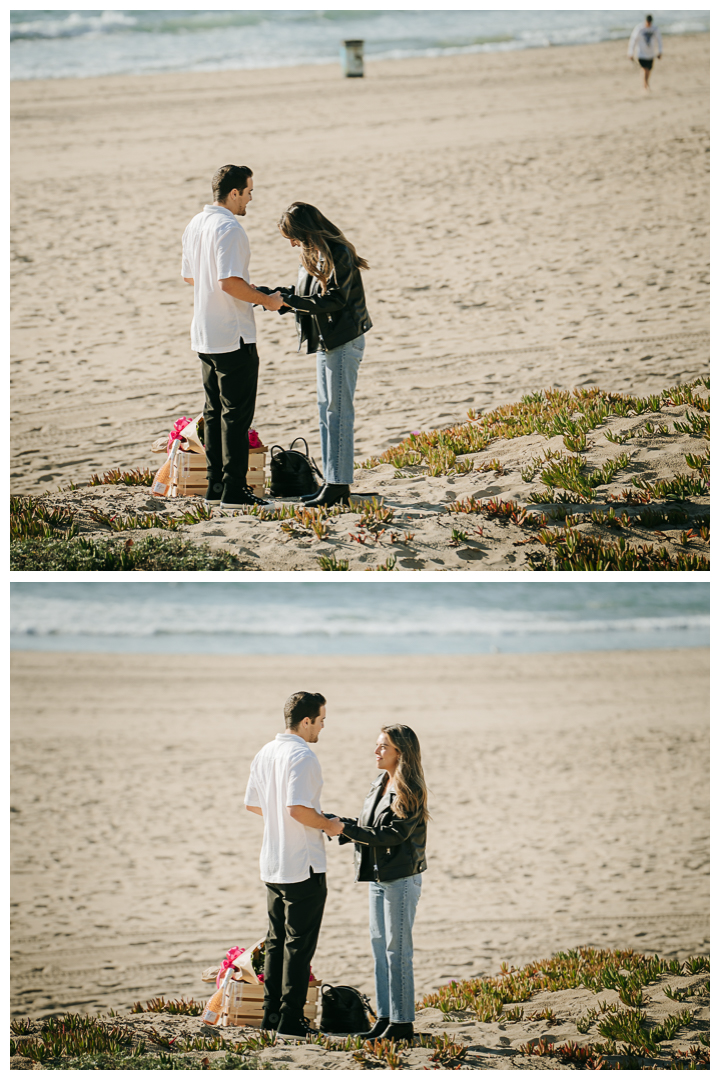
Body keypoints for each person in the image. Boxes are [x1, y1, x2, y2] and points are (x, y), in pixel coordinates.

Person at [182, 164, 284, 509]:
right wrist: (266, 300)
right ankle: (235, 490)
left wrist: (240, 289)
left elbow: (192, 278)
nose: (251, 199)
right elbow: (229, 283)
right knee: (236, 416)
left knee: (213, 412)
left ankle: (215, 486)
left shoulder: (196, 223)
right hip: (232, 335)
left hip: (204, 333)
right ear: (234, 192)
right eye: (249, 192)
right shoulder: (229, 228)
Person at [244, 691, 343, 1038]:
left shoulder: (265, 752)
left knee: (275, 942)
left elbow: (255, 805)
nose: (322, 727)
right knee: (299, 947)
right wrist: (329, 825)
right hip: (302, 864)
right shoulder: (303, 755)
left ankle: (271, 1015)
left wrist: (283, 822)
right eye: (321, 720)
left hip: (272, 862)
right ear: (306, 721)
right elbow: (297, 809)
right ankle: (291, 1020)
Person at [336, 725, 428, 1043]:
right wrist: (340, 824)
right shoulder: (379, 782)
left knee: (397, 952)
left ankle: (402, 1025)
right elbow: (368, 826)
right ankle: (386, 1018)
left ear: (400, 752)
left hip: (400, 879)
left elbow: (393, 835)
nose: (376, 752)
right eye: (377, 746)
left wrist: (345, 830)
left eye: (383, 747)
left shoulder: (409, 788)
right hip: (378, 876)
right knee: (379, 949)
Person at [276, 202, 372, 508]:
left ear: (305, 231)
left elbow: (334, 300)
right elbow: (305, 293)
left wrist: (291, 301)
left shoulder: (338, 252)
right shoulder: (314, 253)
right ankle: (332, 483)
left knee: (338, 412)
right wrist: (274, 294)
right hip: (327, 342)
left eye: (293, 236)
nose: (292, 243)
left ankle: (338, 484)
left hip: (343, 341)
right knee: (326, 411)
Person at [628, 15, 662, 91]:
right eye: (648, 22)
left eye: (650, 22)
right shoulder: (639, 28)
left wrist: (660, 52)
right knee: (644, 69)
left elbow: (659, 40)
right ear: (645, 21)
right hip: (641, 54)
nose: (649, 24)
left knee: (649, 70)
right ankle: (645, 84)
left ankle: (646, 83)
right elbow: (633, 40)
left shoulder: (655, 29)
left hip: (651, 54)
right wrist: (631, 52)